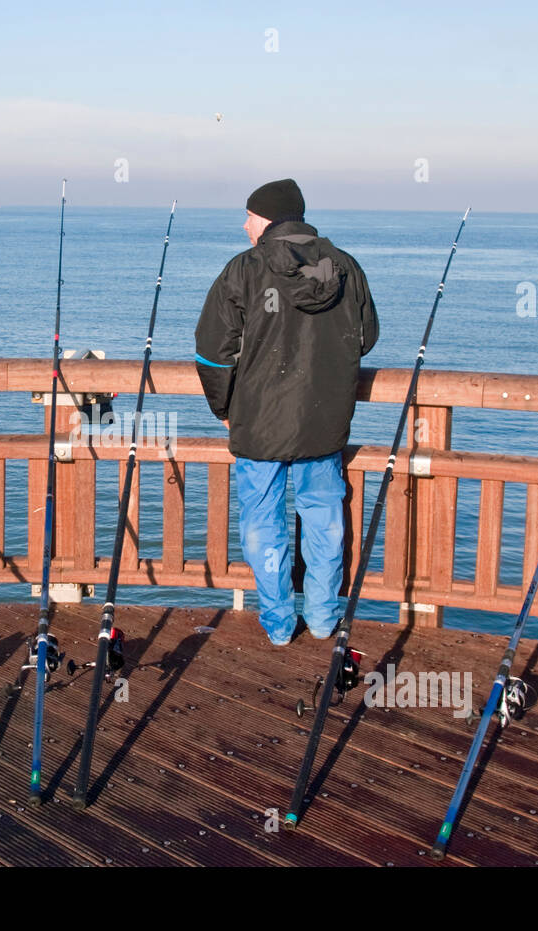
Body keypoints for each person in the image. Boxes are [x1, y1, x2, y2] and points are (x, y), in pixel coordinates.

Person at [195, 178, 379, 645]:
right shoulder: (344, 266)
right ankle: (321, 618)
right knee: (324, 518)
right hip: (323, 419)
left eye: (250, 216)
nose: (244, 224)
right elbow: (367, 336)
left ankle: (278, 625)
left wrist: (224, 407)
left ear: (269, 219)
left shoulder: (245, 270)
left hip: (258, 421)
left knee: (262, 522)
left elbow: (213, 352)